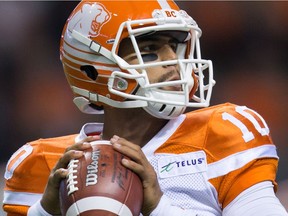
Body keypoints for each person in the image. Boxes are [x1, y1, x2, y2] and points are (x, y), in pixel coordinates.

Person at [2, 0, 288, 215]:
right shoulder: (39, 163)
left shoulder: (223, 134)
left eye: (175, 48)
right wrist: (44, 212)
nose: (175, 64)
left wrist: (160, 208)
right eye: (150, 52)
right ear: (93, 71)